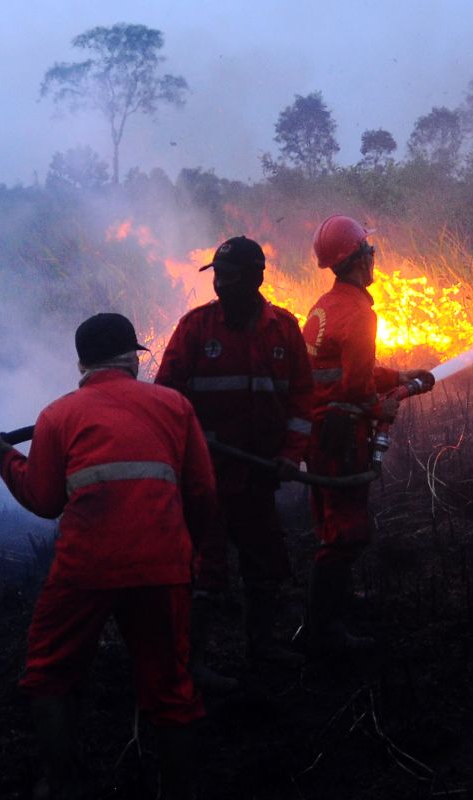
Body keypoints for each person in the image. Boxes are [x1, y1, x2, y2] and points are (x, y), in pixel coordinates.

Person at [0, 312, 216, 800]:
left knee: (49, 671)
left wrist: (6, 458)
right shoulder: (174, 406)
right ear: (132, 358)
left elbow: (45, 500)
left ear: (82, 364)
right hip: (160, 563)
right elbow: (202, 491)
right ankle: (180, 789)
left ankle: (62, 783)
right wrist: (187, 554)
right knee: (170, 687)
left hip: (85, 567)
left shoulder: (58, 415)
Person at [156, 235, 313, 677]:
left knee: (266, 567)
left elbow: (302, 400)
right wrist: (185, 454)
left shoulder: (283, 329)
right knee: (203, 574)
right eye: (217, 275)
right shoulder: (195, 329)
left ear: (257, 277)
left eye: (230, 275)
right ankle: (194, 664)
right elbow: (165, 398)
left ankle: (263, 647)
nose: (220, 284)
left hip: (259, 477)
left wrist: (290, 454)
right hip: (205, 477)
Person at [304, 215, 432, 655]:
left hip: (319, 433)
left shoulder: (322, 306)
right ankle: (324, 631)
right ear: (360, 258)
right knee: (347, 531)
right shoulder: (359, 314)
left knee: (328, 524)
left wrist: (398, 375)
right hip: (343, 437)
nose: (374, 256)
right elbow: (356, 387)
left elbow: (337, 374)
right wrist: (383, 406)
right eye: (370, 250)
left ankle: (332, 603)